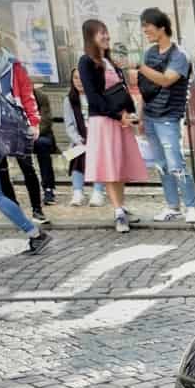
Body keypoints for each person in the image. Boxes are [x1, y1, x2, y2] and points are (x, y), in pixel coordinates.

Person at [78, 19, 147, 233]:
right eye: (101, 33)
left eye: (106, 32)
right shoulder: (86, 62)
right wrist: (118, 115)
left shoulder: (109, 62)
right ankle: (118, 212)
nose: (106, 37)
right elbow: (94, 97)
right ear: (91, 37)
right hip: (105, 121)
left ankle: (122, 207)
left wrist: (129, 114)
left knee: (119, 166)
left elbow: (120, 91)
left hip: (120, 120)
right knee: (110, 167)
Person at [136, 7, 195, 223]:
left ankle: (191, 206)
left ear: (162, 27)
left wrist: (139, 67)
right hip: (151, 115)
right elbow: (145, 88)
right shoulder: (150, 54)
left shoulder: (179, 55)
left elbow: (166, 79)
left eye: (148, 26)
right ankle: (172, 206)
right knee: (161, 164)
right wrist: (141, 116)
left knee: (175, 163)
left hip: (169, 116)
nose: (146, 31)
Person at [0, 27, 48, 225]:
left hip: (16, 121)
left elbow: (27, 94)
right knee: (2, 170)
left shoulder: (13, 64)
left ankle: (37, 209)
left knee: (27, 166)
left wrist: (33, 122)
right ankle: (16, 211)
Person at [63, 67, 106, 207]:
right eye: (75, 78)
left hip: (98, 138)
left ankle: (98, 191)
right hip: (80, 138)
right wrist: (78, 140)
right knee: (78, 153)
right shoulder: (69, 100)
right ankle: (78, 192)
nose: (79, 81)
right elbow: (69, 125)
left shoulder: (97, 96)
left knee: (98, 155)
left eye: (82, 77)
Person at [32, 86, 58, 206]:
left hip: (40, 134)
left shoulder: (41, 96)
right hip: (19, 135)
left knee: (42, 144)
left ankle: (48, 188)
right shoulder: (10, 98)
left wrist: (33, 134)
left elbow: (46, 120)